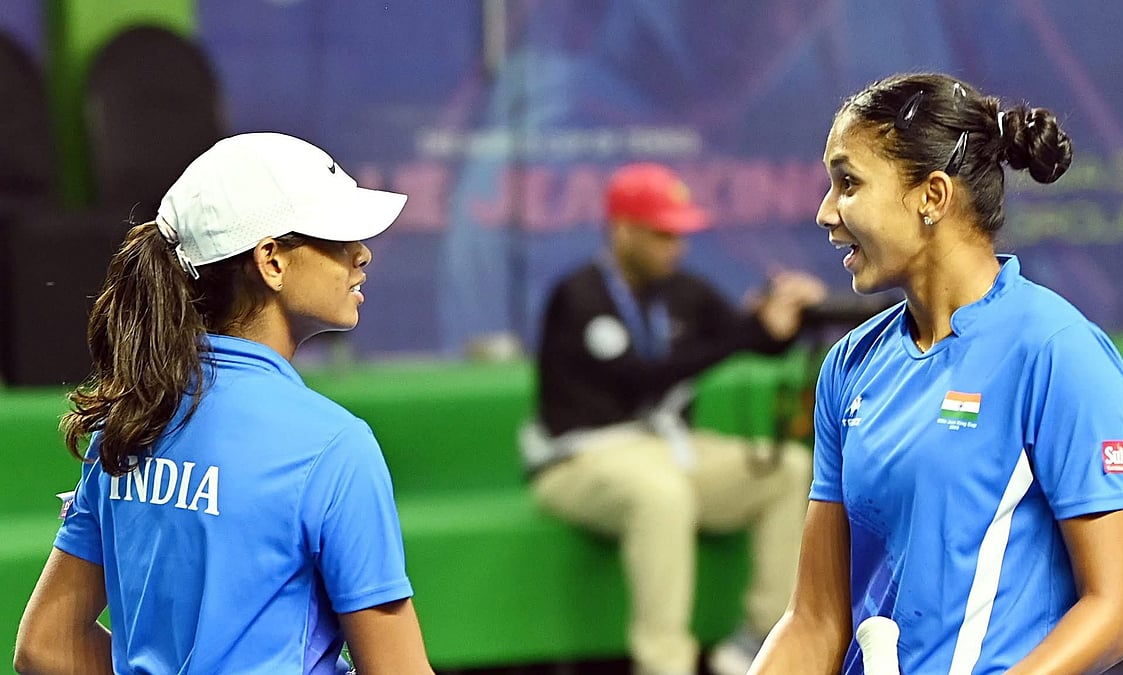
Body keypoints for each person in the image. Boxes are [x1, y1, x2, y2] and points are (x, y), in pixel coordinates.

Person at [749, 73, 1123, 674]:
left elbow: (1118, 612)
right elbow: (815, 620)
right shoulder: (849, 365)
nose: (826, 212)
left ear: (932, 196)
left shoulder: (1059, 352)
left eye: (848, 183)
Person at [15, 133, 434, 675]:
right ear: (271, 261)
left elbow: (45, 645)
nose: (361, 253)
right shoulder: (334, 447)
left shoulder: (129, 422)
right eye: (336, 235)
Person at [521, 162, 828, 675]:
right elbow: (639, 377)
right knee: (662, 495)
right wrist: (746, 333)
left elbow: (758, 341)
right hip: (579, 457)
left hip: (667, 448)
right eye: (662, 235)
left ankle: (759, 641)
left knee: (787, 470)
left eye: (679, 234)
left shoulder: (684, 289)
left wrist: (785, 314)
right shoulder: (579, 295)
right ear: (623, 231)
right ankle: (665, 664)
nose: (675, 247)